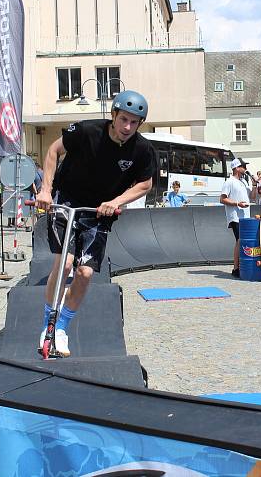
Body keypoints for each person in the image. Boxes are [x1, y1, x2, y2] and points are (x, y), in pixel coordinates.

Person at [35, 90, 156, 357]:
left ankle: (62, 327)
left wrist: (117, 201)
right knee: (65, 262)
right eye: (123, 119)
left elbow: (145, 184)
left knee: (85, 272)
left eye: (134, 122)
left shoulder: (143, 150)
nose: (127, 127)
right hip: (66, 200)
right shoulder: (87, 131)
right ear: (113, 115)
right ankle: (47, 324)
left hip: (99, 210)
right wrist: (45, 189)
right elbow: (54, 150)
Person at [220, 157, 250, 277]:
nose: (245, 169)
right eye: (243, 166)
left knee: (242, 240)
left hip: (245, 215)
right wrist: (237, 204)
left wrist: (256, 187)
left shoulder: (244, 181)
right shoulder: (229, 181)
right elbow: (222, 199)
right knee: (239, 239)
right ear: (237, 168)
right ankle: (236, 268)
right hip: (235, 216)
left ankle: (241, 266)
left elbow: (251, 197)